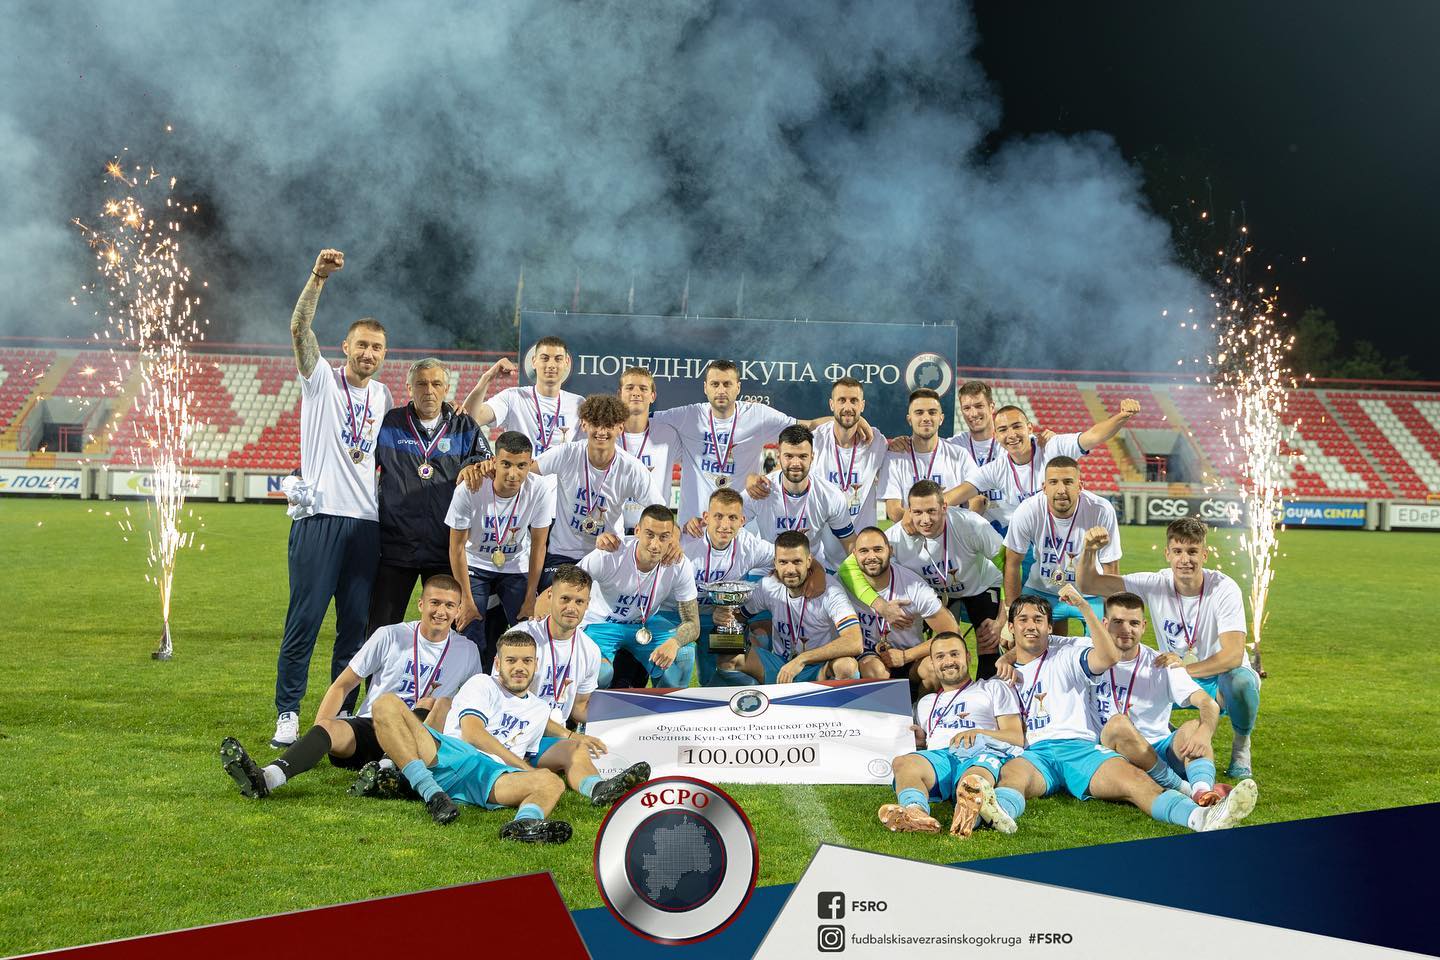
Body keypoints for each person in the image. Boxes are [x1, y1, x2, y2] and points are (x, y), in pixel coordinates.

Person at [975, 595, 1257, 836]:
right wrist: (1006, 657)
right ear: (1011, 627)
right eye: (1022, 620)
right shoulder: (1004, 678)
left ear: (1050, 627)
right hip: (1039, 753)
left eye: (1038, 620)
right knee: (1013, 775)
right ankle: (997, 816)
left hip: (1084, 749)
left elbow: (1104, 656)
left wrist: (1083, 605)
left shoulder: (1073, 652)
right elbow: (1028, 644)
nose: (1031, 626)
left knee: (1137, 781)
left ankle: (1200, 813)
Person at [273, 248, 396, 747]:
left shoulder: (383, 396)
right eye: (362, 344)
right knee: (303, 621)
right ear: (346, 346)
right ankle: (287, 712)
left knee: (353, 630)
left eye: (377, 348)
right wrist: (317, 278)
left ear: (384, 355)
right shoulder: (321, 378)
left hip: (366, 525)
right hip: (321, 518)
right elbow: (299, 329)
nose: (369, 353)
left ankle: (339, 716)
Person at [222, 575, 481, 799]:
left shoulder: (468, 651)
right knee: (329, 728)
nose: (441, 611)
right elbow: (343, 685)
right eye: (435, 603)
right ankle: (266, 778)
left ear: (459, 610)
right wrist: (320, 727)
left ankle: (386, 770)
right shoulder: (390, 635)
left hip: (420, 738)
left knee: (432, 703)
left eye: (449, 605)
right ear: (421, 604)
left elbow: (472, 705)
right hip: (374, 726)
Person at [1074, 517, 1261, 778]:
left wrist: (1184, 669)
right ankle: (1164, 736)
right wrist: (1089, 551)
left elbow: (1233, 655)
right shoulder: (1155, 583)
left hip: (1217, 678)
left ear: (1204, 555)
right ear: (1167, 554)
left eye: (1192, 551)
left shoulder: (1223, 588)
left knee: (1242, 681)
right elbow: (1089, 584)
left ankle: (1241, 748)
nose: (1185, 559)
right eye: (1178, 551)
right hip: (1173, 672)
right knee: (1132, 676)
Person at [373, 630, 572, 840]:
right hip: (452, 754)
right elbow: (472, 733)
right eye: (511, 660)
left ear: (536, 664)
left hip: (491, 775)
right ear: (497, 664)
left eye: (527, 661)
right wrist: (526, 769)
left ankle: (524, 826)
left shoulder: (540, 709)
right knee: (385, 703)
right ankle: (432, 794)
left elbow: (524, 753)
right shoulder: (483, 683)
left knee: (553, 782)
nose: (519, 667)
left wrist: (531, 772)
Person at [493, 566, 652, 806]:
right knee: (574, 743)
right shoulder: (520, 639)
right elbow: (504, 705)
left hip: (546, 739)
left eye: (579, 601)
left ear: (588, 604)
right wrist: (568, 734)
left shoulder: (589, 650)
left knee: (576, 750)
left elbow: (579, 707)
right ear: (550, 597)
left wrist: (627, 718)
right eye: (565, 599)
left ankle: (599, 789)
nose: (571, 608)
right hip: (509, 734)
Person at [650, 359, 868, 523]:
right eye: (715, 384)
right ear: (705, 387)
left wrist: (854, 420)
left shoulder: (757, 415)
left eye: (727, 384)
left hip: (740, 522)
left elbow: (808, 426)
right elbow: (644, 420)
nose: (721, 390)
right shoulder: (688, 415)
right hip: (695, 524)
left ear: (738, 387)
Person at [368, 358, 493, 636]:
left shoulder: (463, 426)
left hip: (444, 547)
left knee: (446, 629)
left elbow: (487, 464)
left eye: (436, 384)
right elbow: (357, 460)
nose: (429, 390)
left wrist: (476, 466)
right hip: (395, 546)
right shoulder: (390, 423)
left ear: (447, 388)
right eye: (421, 384)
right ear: (409, 388)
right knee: (380, 630)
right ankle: (380, 669)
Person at [1076, 587, 1227, 805]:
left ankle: (1203, 792)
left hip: (1158, 749)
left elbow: (1207, 703)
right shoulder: (1084, 655)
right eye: (1118, 622)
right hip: (1112, 752)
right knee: (1119, 723)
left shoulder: (1162, 663)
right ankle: (1182, 788)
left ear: (1143, 626)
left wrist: (1204, 732)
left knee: (1193, 727)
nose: (1126, 629)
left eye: (1134, 623)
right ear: (1105, 624)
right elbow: (1042, 644)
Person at [844, 481, 1006, 678]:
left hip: (979, 586)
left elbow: (1008, 564)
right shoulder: (897, 536)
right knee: (940, 652)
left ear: (944, 507)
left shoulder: (971, 524)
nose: (925, 520)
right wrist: (881, 606)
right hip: (935, 592)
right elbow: (847, 568)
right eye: (918, 512)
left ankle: (987, 691)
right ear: (909, 511)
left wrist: (1003, 618)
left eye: (931, 511)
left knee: (988, 641)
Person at [878, 631, 1024, 835]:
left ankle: (968, 817)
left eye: (955, 654)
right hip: (941, 757)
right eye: (940, 656)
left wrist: (979, 732)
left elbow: (1016, 737)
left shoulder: (992, 688)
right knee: (903, 762)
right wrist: (921, 739)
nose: (948, 661)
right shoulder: (926, 703)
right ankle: (916, 812)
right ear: (932, 663)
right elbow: (928, 741)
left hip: (979, 753)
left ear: (968, 657)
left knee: (974, 779)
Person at [939, 399, 1140, 533]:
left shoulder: (1052, 446)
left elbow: (1093, 436)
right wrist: (925, 508)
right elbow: (956, 494)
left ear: (1029, 428)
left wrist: (1123, 415)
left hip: (1065, 533)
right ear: (996, 436)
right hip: (1029, 539)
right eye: (1003, 430)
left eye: (1017, 426)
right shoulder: (996, 469)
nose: (1011, 435)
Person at [445, 432, 556, 668]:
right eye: (506, 464)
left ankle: (518, 683)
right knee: (468, 625)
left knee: (529, 626)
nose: (513, 474)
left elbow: (539, 546)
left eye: (521, 466)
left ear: (530, 464)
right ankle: (472, 683)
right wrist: (466, 599)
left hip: (516, 564)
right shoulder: (470, 487)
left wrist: (531, 597)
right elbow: (456, 548)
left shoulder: (539, 489)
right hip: (475, 563)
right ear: (494, 461)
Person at [568, 505, 702, 688]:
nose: (655, 544)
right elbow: (565, 586)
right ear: (637, 531)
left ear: (672, 538)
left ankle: (663, 706)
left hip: (643, 624)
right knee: (600, 674)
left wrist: (674, 643)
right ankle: (588, 706)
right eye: (649, 535)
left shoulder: (679, 564)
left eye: (663, 537)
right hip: (600, 623)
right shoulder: (610, 554)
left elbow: (693, 624)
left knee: (683, 655)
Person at [531, 394, 653, 586]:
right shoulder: (567, 453)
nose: (601, 431)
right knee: (557, 595)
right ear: (584, 425)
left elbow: (659, 511)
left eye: (609, 425)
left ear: (620, 428)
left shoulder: (632, 468)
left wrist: (641, 540)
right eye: (596, 424)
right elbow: (524, 471)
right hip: (563, 554)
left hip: (607, 554)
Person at [718, 531, 863, 684]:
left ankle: (822, 698)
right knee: (727, 654)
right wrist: (723, 617)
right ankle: (759, 696)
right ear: (775, 563)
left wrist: (802, 659)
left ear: (809, 561)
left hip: (819, 666)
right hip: (780, 663)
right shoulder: (768, 586)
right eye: (783, 562)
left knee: (846, 667)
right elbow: (738, 616)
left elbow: (855, 642)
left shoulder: (830, 590)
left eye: (797, 562)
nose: (790, 570)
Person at [1002, 457, 1122, 635]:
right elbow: (1012, 563)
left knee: (1101, 645)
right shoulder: (1028, 509)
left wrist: (1113, 613)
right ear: (1044, 487)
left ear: (1080, 486)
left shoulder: (1100, 510)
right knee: (1022, 641)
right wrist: (1010, 614)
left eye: (1068, 482)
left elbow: (1110, 566)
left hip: (1090, 594)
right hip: (1041, 591)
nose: (1061, 490)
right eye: (1053, 482)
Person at [677, 487, 777, 686]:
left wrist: (816, 572)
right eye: (718, 516)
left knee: (716, 675)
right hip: (679, 615)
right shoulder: (686, 541)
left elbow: (785, 558)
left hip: (719, 619)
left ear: (742, 521)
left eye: (732, 517)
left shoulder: (749, 544)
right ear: (706, 517)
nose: (725, 525)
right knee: (680, 660)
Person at [837, 527, 958, 689]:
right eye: (864, 551)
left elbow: (952, 632)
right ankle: (883, 706)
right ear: (854, 555)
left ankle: (922, 704)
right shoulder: (841, 583)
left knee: (932, 668)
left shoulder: (913, 586)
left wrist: (906, 656)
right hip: (871, 658)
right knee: (873, 669)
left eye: (878, 550)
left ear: (890, 551)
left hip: (911, 656)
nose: (871, 557)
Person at [741, 424, 856, 570]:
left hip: (811, 569)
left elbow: (850, 542)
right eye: (789, 456)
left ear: (812, 457)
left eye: (802, 456)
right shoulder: (759, 490)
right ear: (778, 456)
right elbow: (728, 528)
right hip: (768, 568)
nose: (796, 463)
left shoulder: (830, 495)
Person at [464, 337, 583, 456]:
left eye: (558, 359)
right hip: (521, 468)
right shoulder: (513, 397)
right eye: (545, 358)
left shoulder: (578, 403)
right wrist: (487, 378)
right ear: (534, 361)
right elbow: (470, 420)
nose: (551, 365)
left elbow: (585, 450)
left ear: (566, 362)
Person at [810, 377, 889, 541]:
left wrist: (902, 443)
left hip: (859, 549)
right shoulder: (815, 440)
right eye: (842, 400)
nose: (848, 407)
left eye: (854, 400)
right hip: (820, 549)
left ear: (862, 405)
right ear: (832, 404)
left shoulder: (877, 442)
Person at [879, 389, 975, 522]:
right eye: (919, 412)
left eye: (932, 412)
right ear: (909, 419)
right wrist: (924, 525)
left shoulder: (959, 455)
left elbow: (976, 497)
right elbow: (893, 510)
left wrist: (964, 525)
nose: (926, 418)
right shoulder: (894, 458)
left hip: (949, 533)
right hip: (911, 534)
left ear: (941, 418)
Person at [617, 366, 680, 532]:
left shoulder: (668, 435)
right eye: (630, 388)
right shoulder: (606, 434)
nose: (636, 393)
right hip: (612, 531)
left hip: (654, 531)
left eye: (643, 388)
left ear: (653, 396)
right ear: (619, 394)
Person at [946, 380, 1006, 531]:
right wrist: (902, 443)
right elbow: (923, 446)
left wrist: (1048, 438)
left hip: (1009, 529)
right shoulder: (953, 446)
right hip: (969, 531)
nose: (973, 414)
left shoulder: (1011, 441)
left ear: (992, 406)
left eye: (979, 406)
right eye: (967, 408)